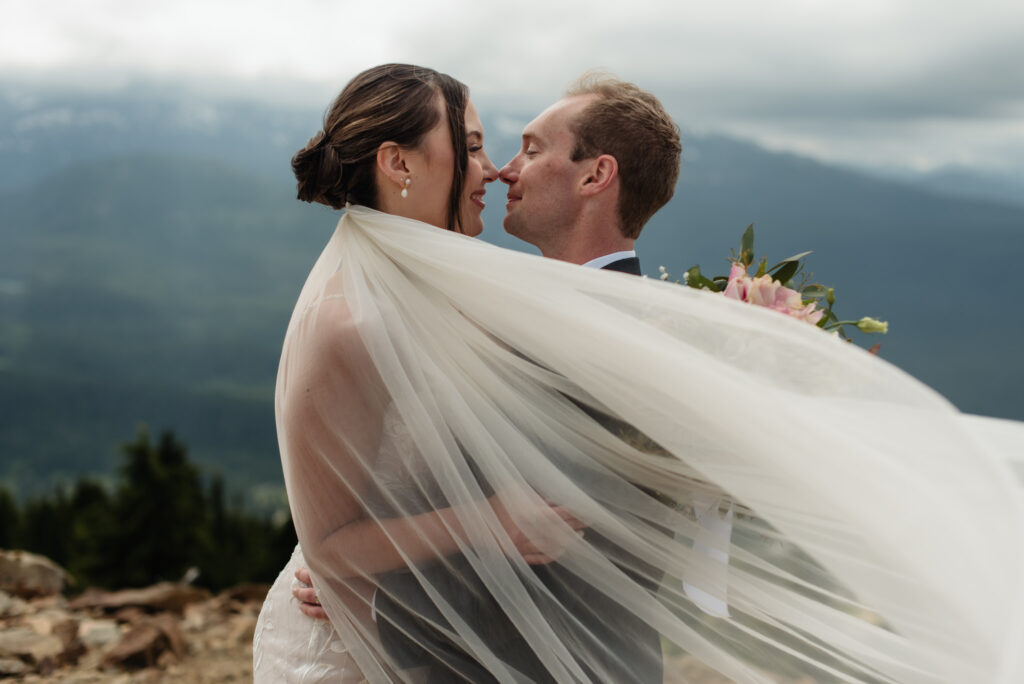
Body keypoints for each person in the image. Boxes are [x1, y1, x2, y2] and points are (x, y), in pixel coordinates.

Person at [256, 63, 1024, 683]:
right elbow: (406, 507)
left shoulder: (644, 340)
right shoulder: (413, 306)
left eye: (524, 146)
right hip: (401, 647)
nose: (498, 171)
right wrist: (363, 572)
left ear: (596, 177)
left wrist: (381, 580)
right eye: (487, 146)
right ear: (398, 163)